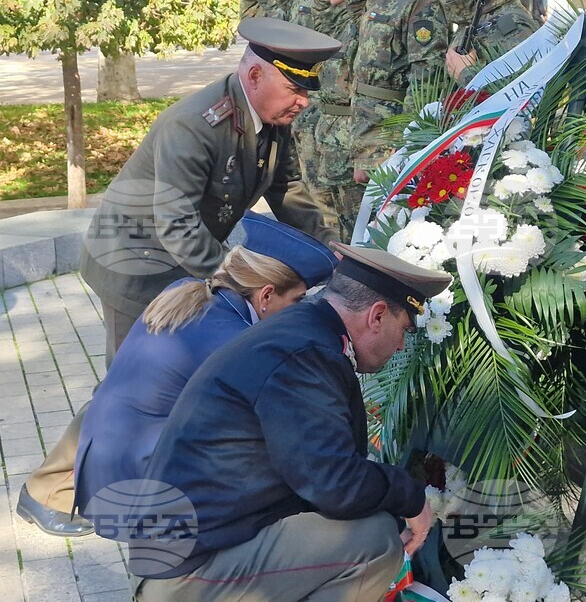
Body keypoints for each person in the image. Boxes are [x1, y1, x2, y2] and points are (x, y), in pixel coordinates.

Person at [14, 19, 340, 538]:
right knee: (129, 383)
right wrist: (231, 281)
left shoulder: (270, 120)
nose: (302, 101)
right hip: (136, 265)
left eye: (306, 90)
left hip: (181, 262)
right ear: (254, 76)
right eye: (295, 88)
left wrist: (333, 251)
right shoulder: (196, 123)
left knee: (151, 384)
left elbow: (289, 190)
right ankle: (47, 491)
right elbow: (177, 223)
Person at [122, 243, 451, 602]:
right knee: (374, 541)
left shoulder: (299, 333)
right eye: (404, 328)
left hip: (193, 547)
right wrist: (411, 496)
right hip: (189, 573)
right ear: (376, 316)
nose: (402, 346)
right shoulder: (305, 356)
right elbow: (336, 486)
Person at [74, 212, 337, 515]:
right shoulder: (237, 341)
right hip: (139, 483)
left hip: (102, 467)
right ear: (266, 295)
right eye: (297, 300)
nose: (298, 310)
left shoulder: (188, 290)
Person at [348, 0, 449, 181]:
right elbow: (353, 20)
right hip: (367, 136)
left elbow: (427, 83)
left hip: (388, 145)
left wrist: (401, 151)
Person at [293, 0, 368, 240]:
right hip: (329, 136)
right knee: (333, 226)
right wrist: (321, 1)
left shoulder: (365, 19)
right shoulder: (344, 18)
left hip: (353, 142)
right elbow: (316, 33)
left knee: (356, 230)